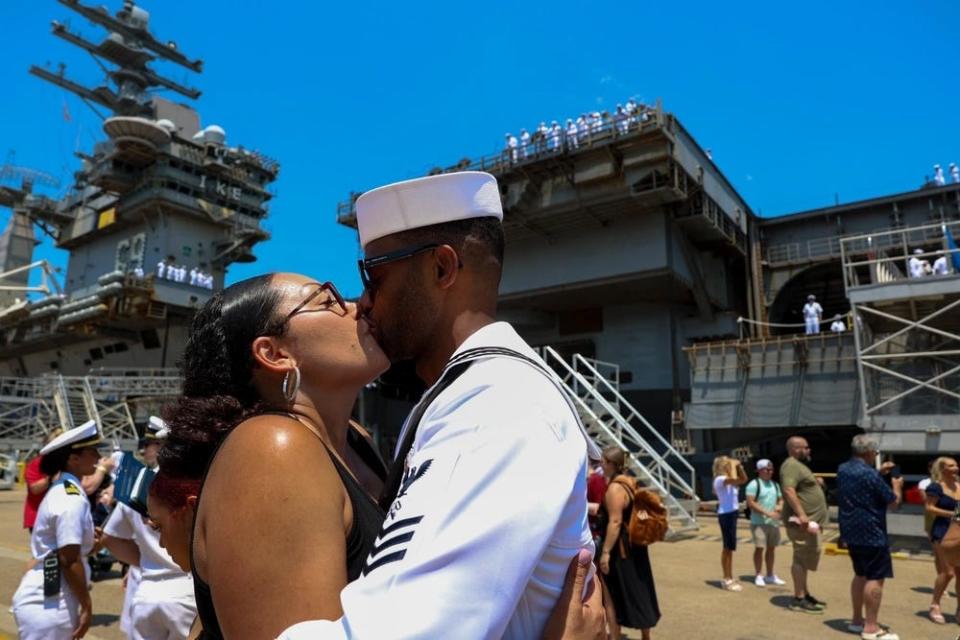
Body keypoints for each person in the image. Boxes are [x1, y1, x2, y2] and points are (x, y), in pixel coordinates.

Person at [160, 275, 602, 635]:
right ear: (274, 353)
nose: (360, 305)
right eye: (329, 300)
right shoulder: (272, 449)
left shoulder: (355, 444)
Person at [282, 171, 602, 639]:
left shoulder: (497, 404)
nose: (363, 302)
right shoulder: (469, 393)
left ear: (441, 269)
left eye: (375, 275)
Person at [103, 417, 196, 640]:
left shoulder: (137, 486)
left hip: (148, 590)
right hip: (186, 591)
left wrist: (147, 561)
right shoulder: (194, 485)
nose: (145, 449)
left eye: (149, 444)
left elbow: (110, 538)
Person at [12, 420, 102, 640]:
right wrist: (87, 606)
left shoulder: (64, 489)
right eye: (93, 451)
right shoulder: (71, 498)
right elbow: (69, 559)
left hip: (50, 597)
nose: (99, 457)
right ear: (74, 459)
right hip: (50, 603)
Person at [836, 435, 900, 640]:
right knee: (875, 578)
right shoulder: (870, 474)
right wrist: (897, 485)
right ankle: (871, 627)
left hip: (851, 530)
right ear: (870, 452)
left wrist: (878, 474)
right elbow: (892, 501)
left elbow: (862, 484)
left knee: (860, 574)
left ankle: (857, 620)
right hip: (873, 532)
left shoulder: (843, 469)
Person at [597, 447, 660, 640]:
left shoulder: (615, 488)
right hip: (636, 545)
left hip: (620, 549)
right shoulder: (631, 483)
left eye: (604, 461)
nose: (601, 465)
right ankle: (646, 636)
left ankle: (615, 636)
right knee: (641, 588)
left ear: (612, 464)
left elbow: (615, 522)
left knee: (611, 596)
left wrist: (606, 553)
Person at [780, 435, 829, 614]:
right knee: (800, 558)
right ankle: (799, 598)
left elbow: (799, 488)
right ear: (795, 449)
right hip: (801, 524)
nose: (808, 450)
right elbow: (788, 489)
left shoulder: (798, 466)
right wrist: (801, 515)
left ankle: (805, 593)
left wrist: (816, 484)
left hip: (809, 524)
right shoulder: (791, 465)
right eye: (805, 447)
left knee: (805, 558)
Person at [925, 457, 960, 625]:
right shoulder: (936, 487)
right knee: (947, 572)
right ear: (942, 468)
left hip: (959, 532)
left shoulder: (959, 486)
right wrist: (952, 515)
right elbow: (930, 508)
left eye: (956, 464)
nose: (956, 467)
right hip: (942, 531)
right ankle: (935, 605)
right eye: (951, 465)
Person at [745, 459, 786, 587]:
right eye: (766, 469)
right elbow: (751, 503)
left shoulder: (775, 484)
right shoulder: (753, 484)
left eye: (771, 469)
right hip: (759, 522)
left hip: (773, 522)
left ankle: (770, 575)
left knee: (771, 549)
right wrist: (767, 513)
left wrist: (780, 506)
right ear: (759, 470)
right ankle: (758, 574)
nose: (769, 471)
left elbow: (781, 499)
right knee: (759, 548)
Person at [712, 455, 747, 591]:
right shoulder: (721, 479)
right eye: (728, 464)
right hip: (726, 514)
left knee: (730, 548)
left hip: (731, 513)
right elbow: (740, 479)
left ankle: (729, 576)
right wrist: (736, 466)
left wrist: (739, 466)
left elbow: (742, 479)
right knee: (727, 547)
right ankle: (726, 579)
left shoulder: (726, 480)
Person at [22, 429, 64, 533]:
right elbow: (34, 489)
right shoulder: (37, 463)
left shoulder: (69, 461)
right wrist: (51, 478)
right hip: (39, 517)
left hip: (62, 515)